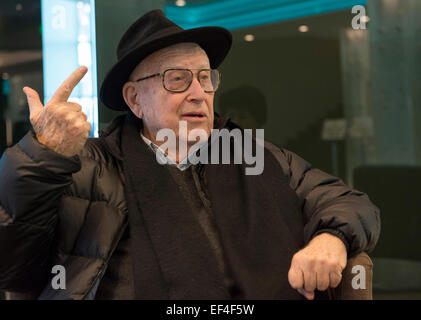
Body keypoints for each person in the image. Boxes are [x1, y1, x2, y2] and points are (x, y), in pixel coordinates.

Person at [0, 9, 380, 300]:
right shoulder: (88, 167)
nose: (199, 92)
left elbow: (349, 202)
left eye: (205, 77)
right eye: (177, 79)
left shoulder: (254, 155)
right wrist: (44, 155)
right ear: (135, 100)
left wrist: (331, 237)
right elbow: (14, 262)